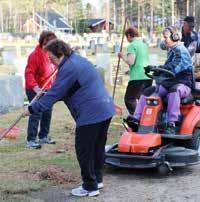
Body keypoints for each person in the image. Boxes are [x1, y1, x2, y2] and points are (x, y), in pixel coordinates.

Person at [23, 39, 115, 197]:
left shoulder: (68, 68)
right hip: (104, 108)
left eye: (51, 58)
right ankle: (97, 180)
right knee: (97, 147)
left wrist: (32, 108)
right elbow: (65, 90)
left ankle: (89, 187)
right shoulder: (76, 60)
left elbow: (56, 93)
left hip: (91, 113)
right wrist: (44, 95)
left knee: (84, 150)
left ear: (60, 54)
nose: (51, 62)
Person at [127, 26, 194, 134]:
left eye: (165, 37)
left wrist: (159, 68)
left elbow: (174, 67)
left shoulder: (182, 51)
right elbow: (167, 67)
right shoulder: (173, 50)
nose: (164, 40)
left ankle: (172, 123)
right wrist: (154, 68)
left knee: (174, 90)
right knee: (148, 92)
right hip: (170, 83)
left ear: (175, 37)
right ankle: (136, 119)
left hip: (183, 84)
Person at [24, 31, 57, 149]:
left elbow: (54, 69)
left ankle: (43, 136)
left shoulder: (51, 53)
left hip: (48, 88)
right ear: (44, 42)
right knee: (36, 113)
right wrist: (35, 87)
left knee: (47, 112)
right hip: (35, 89)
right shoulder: (35, 55)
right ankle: (31, 140)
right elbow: (29, 73)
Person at [118, 27, 152, 115]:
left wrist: (122, 56)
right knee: (143, 100)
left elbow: (131, 62)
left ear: (129, 35)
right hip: (148, 76)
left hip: (137, 77)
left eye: (127, 37)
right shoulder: (144, 45)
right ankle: (145, 118)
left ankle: (137, 118)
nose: (127, 39)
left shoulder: (132, 45)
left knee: (129, 99)